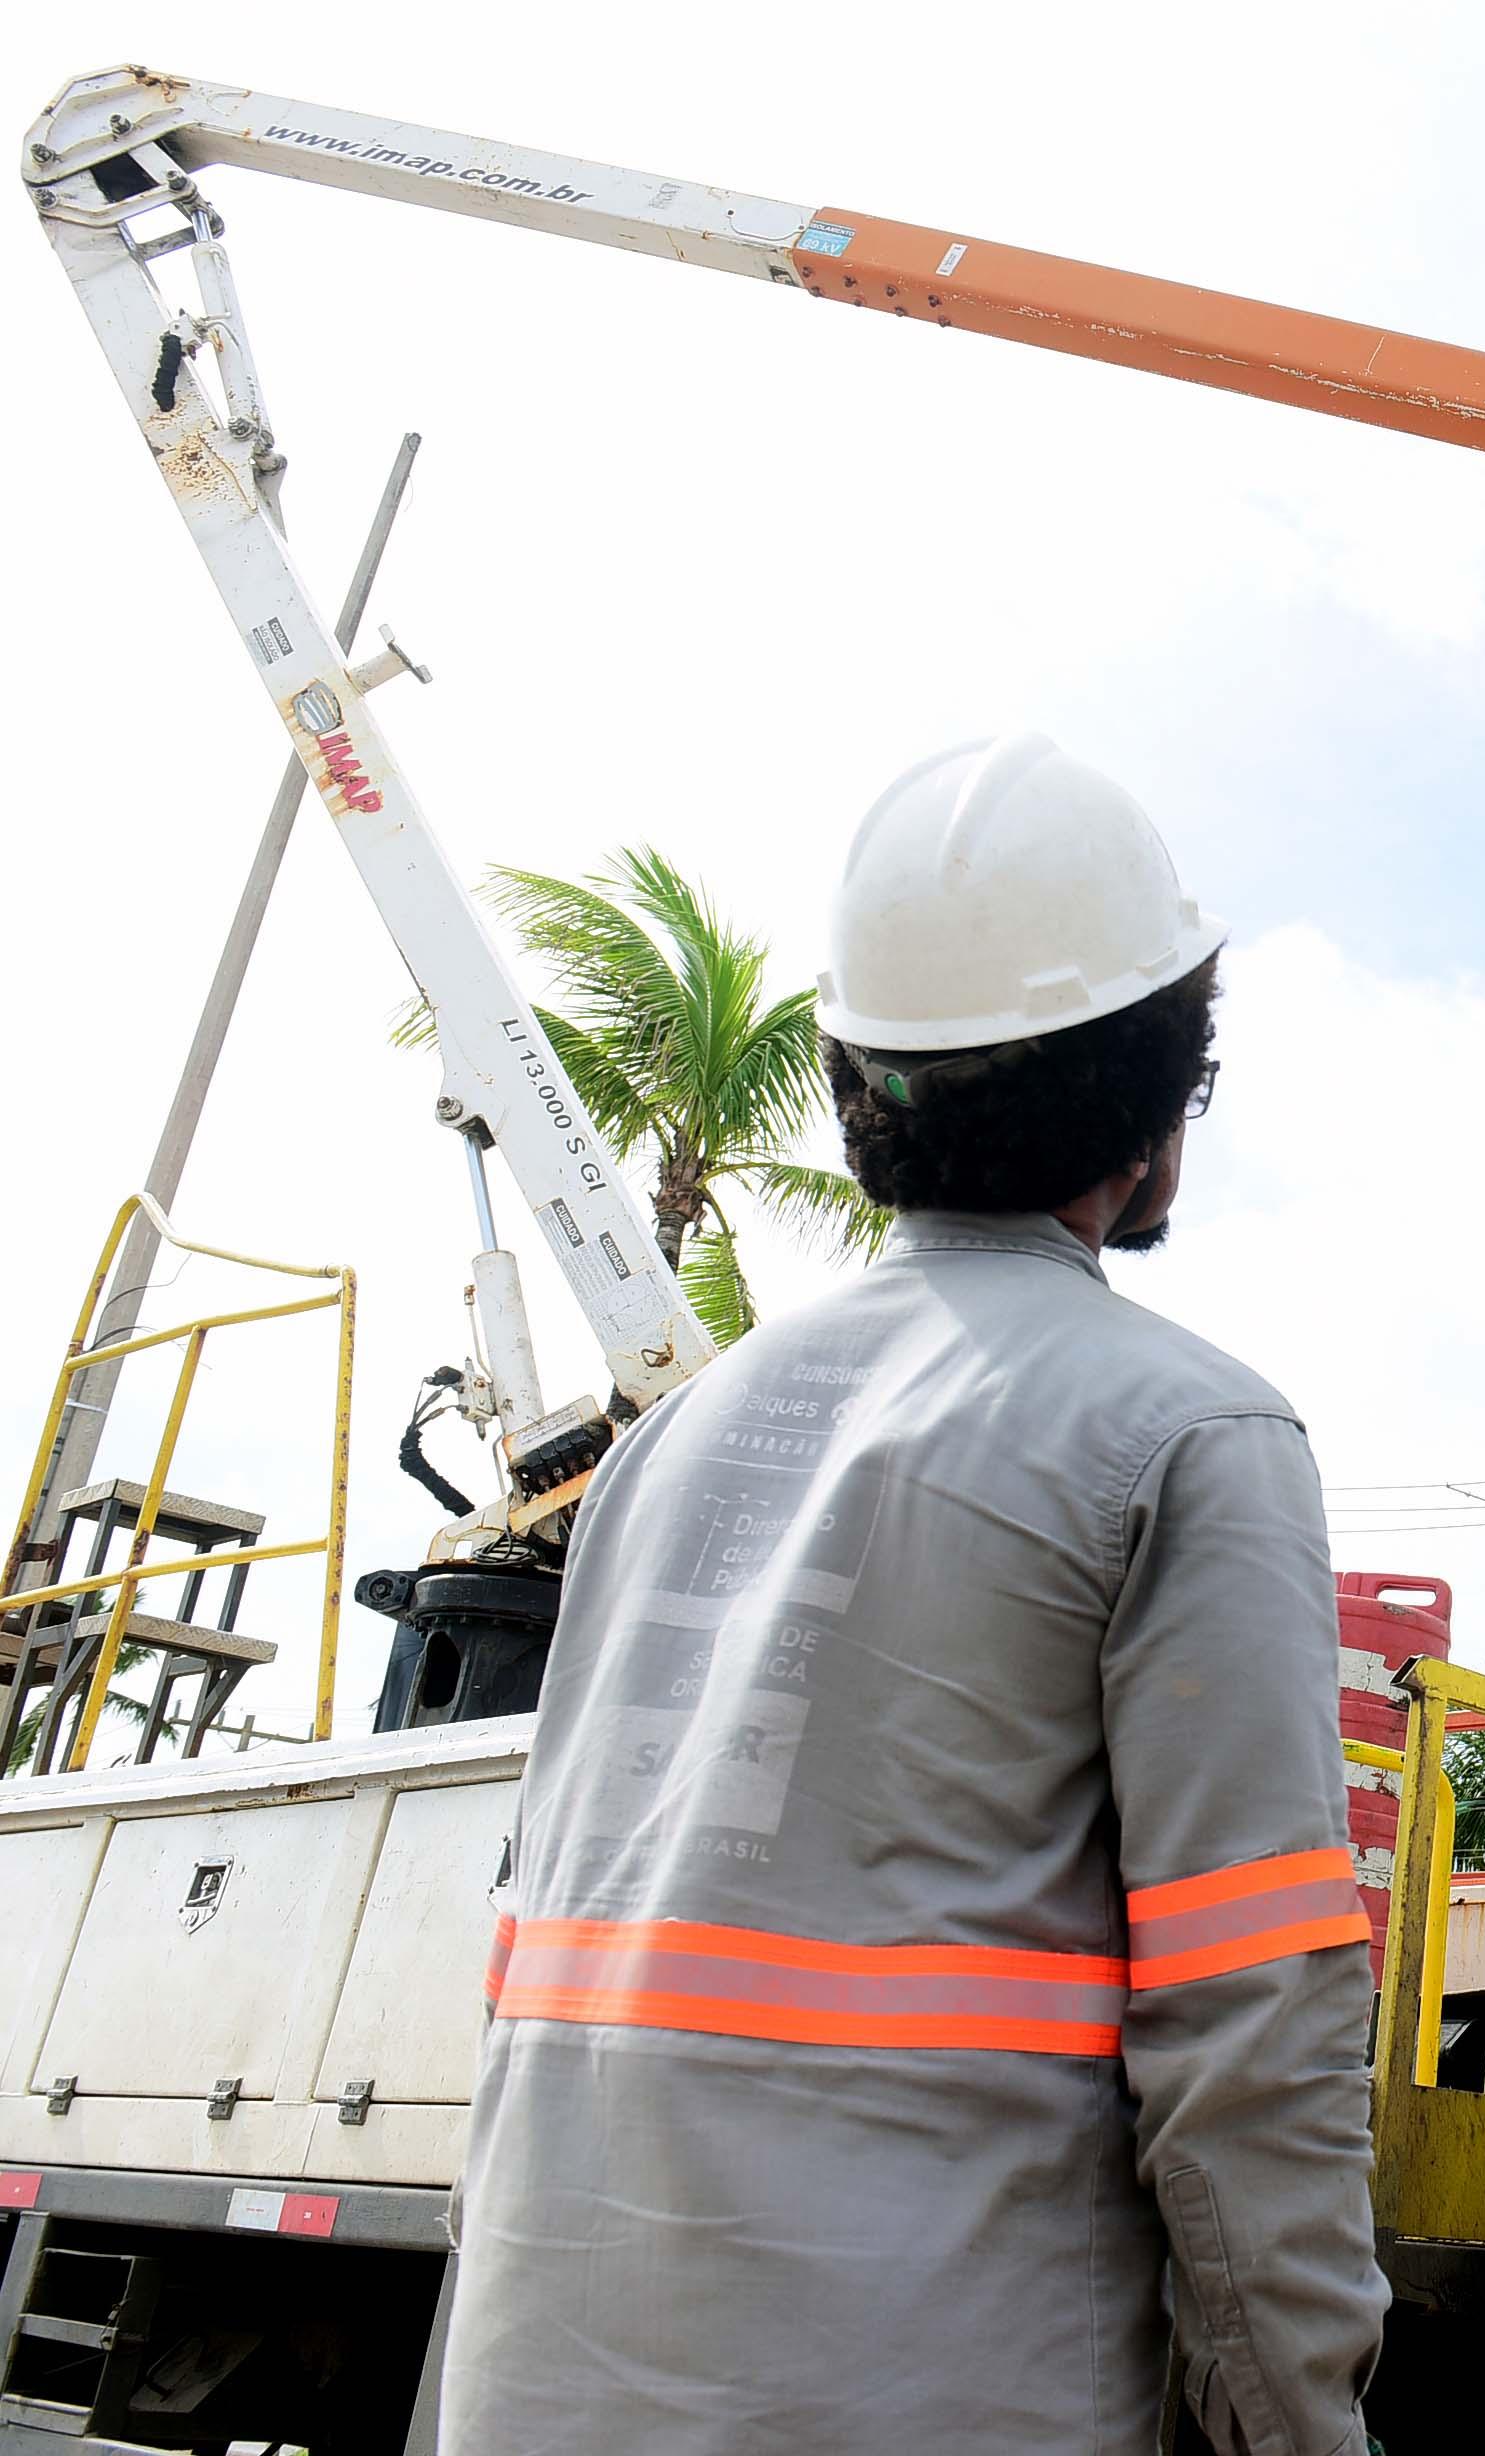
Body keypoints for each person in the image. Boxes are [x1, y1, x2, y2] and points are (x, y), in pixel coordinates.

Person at [443, 735, 1390, 2455]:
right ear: (1160, 1110)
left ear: (857, 1086)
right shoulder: (1190, 1436)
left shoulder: (672, 1446)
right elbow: (1252, 2036)